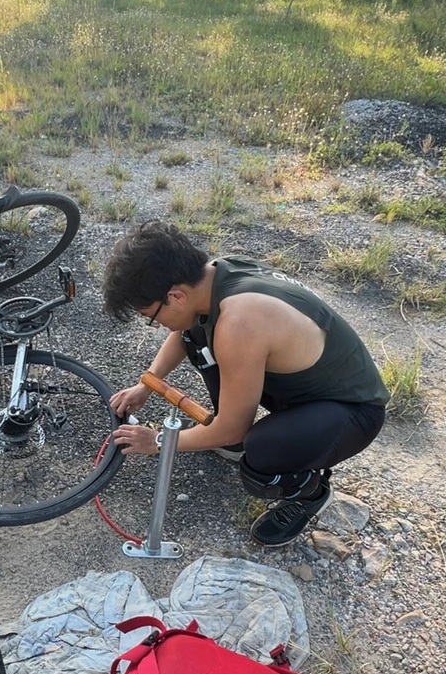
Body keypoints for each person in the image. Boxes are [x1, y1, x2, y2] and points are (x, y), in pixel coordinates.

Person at [104, 222, 389, 547]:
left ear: (175, 295)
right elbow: (184, 332)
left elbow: (233, 430)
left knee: (261, 453)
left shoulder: (240, 323)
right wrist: (149, 383)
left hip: (350, 413)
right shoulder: (214, 275)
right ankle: (237, 432)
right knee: (198, 335)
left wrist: (157, 441)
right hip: (303, 388)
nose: (155, 325)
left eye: (151, 317)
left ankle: (310, 491)